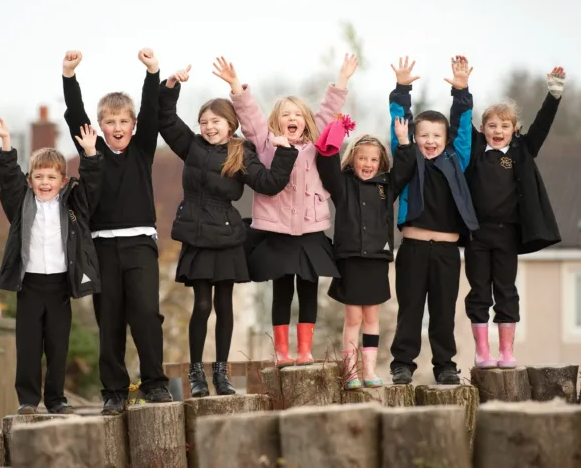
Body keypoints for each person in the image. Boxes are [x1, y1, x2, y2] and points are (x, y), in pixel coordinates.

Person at [158, 65, 298, 396]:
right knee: (201, 306)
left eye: (215, 122)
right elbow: (166, 121)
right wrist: (170, 87)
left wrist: (286, 151)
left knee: (224, 305)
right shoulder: (190, 146)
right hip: (196, 234)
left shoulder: (240, 152)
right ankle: (196, 375)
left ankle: (222, 375)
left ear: (230, 124)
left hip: (226, 233)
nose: (208, 127)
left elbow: (269, 182)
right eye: (204, 122)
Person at [213, 55, 358, 365]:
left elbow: (328, 111)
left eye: (297, 115)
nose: (292, 119)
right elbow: (250, 115)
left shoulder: (316, 143)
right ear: (276, 122)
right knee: (282, 292)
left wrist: (342, 80)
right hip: (277, 232)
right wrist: (236, 86)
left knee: (308, 291)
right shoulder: (267, 144)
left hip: (310, 231)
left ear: (305, 120)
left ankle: (304, 351)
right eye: (285, 115)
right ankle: (282, 352)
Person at [61, 48, 172, 414]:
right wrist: (69, 75)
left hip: (140, 245)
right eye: (110, 122)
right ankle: (114, 392)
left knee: (145, 314)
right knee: (109, 320)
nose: (118, 128)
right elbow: (74, 114)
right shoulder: (92, 152)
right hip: (102, 249)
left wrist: (152, 72)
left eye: (124, 121)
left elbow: (153, 111)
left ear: (133, 124)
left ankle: (155, 384)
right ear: (99, 127)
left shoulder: (143, 149)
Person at [0, 118, 102, 414]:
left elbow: (92, 187)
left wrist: (90, 154)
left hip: (60, 286)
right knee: (28, 347)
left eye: (51, 178)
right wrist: (5, 144)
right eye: (39, 177)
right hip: (30, 286)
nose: (45, 183)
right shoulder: (21, 205)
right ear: (30, 179)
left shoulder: (73, 205)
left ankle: (56, 399)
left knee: (57, 347)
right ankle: (28, 400)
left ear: (63, 181)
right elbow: (8, 178)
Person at [463, 67, 566, 369]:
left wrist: (554, 94)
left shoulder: (522, 150)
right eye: (492, 125)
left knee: (506, 290)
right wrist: (462, 89)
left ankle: (506, 351)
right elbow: (461, 118)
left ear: (515, 129)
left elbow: (542, 126)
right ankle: (483, 351)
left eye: (505, 125)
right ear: (482, 129)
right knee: (479, 290)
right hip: (477, 235)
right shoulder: (475, 151)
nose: (498, 130)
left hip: (507, 234)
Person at [388, 56, 479, 385]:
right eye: (422, 134)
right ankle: (402, 363)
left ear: (445, 139)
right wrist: (402, 90)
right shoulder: (409, 156)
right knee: (410, 310)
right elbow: (399, 124)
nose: (428, 140)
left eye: (435, 136)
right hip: (412, 248)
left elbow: (464, 129)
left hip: (446, 252)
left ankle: (445, 364)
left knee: (443, 312)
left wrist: (462, 92)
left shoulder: (457, 158)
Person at [315, 116, 416, 388]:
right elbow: (325, 161)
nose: (368, 164)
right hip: (349, 259)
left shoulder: (387, 186)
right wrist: (337, 130)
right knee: (353, 318)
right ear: (353, 159)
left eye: (373, 160)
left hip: (377, 260)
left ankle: (369, 370)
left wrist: (405, 141)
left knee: (371, 317)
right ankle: (350, 372)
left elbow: (406, 168)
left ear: (381, 162)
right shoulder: (342, 184)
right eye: (362, 158)